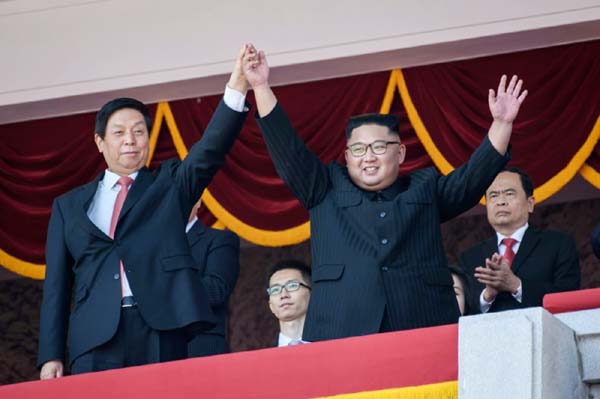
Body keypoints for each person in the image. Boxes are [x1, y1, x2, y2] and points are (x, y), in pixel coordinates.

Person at [241, 44, 527, 341]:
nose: (369, 157)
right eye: (358, 149)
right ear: (347, 156)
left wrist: (502, 123)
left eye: (379, 147)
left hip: (422, 326)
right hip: (342, 330)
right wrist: (260, 86)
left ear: (400, 153)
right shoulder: (324, 188)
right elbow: (288, 150)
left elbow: (471, 179)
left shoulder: (424, 188)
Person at [38, 46, 252, 378]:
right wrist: (51, 355)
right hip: (94, 339)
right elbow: (56, 286)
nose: (131, 140)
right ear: (99, 142)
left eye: (139, 131)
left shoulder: (168, 185)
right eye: (119, 132)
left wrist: (237, 85)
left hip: (161, 327)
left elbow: (210, 149)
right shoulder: (68, 206)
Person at [459, 167, 580, 313]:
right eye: (493, 195)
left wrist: (516, 285)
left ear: (530, 203)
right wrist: (487, 296)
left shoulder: (558, 244)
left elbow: (568, 300)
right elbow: (461, 310)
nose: (501, 202)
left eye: (509, 194)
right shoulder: (470, 257)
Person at [186, 199, 240, 357]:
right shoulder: (153, 246)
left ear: (197, 202)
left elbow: (216, 290)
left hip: (200, 345)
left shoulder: (219, 239)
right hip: (155, 347)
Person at [266, 260, 312, 346]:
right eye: (275, 290)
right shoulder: (262, 357)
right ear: (270, 305)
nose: (283, 295)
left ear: (311, 294)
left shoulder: (334, 344)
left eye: (292, 285)